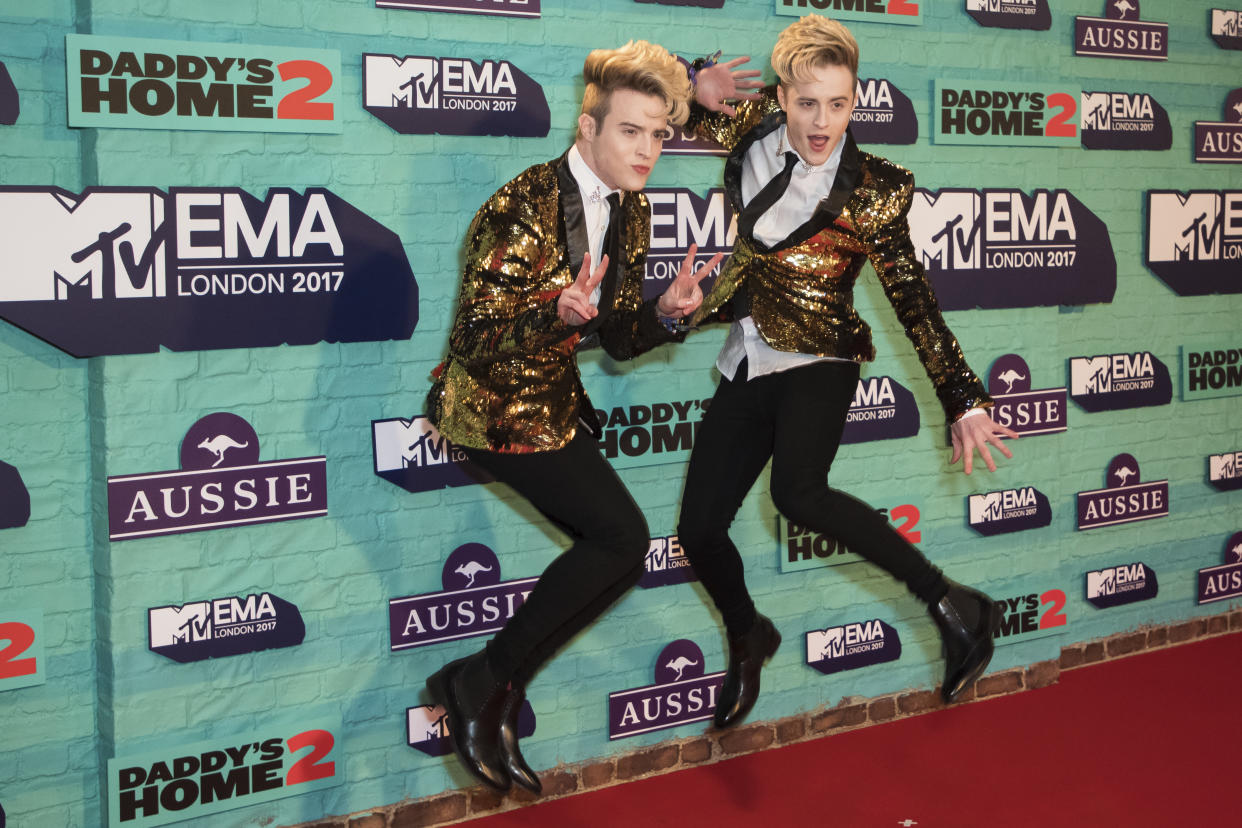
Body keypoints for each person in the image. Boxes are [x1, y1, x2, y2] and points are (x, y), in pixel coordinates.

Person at [680, 15, 1019, 730]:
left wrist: (963, 397)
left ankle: (950, 602)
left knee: (798, 492)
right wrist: (688, 80)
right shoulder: (746, 133)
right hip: (749, 355)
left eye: (838, 104)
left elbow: (913, 301)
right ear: (780, 97)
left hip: (822, 356)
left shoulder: (876, 189)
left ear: (855, 98)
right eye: (807, 103)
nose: (822, 122)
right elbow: (644, 105)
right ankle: (750, 633)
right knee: (699, 530)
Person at [424, 41, 722, 794]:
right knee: (621, 538)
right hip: (486, 407)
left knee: (617, 548)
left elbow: (619, 339)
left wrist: (667, 315)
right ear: (587, 129)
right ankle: (481, 683)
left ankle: (482, 682)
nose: (648, 150)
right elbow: (470, 340)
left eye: (659, 134)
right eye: (631, 131)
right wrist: (549, 314)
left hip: (551, 405)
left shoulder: (634, 208)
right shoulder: (520, 205)